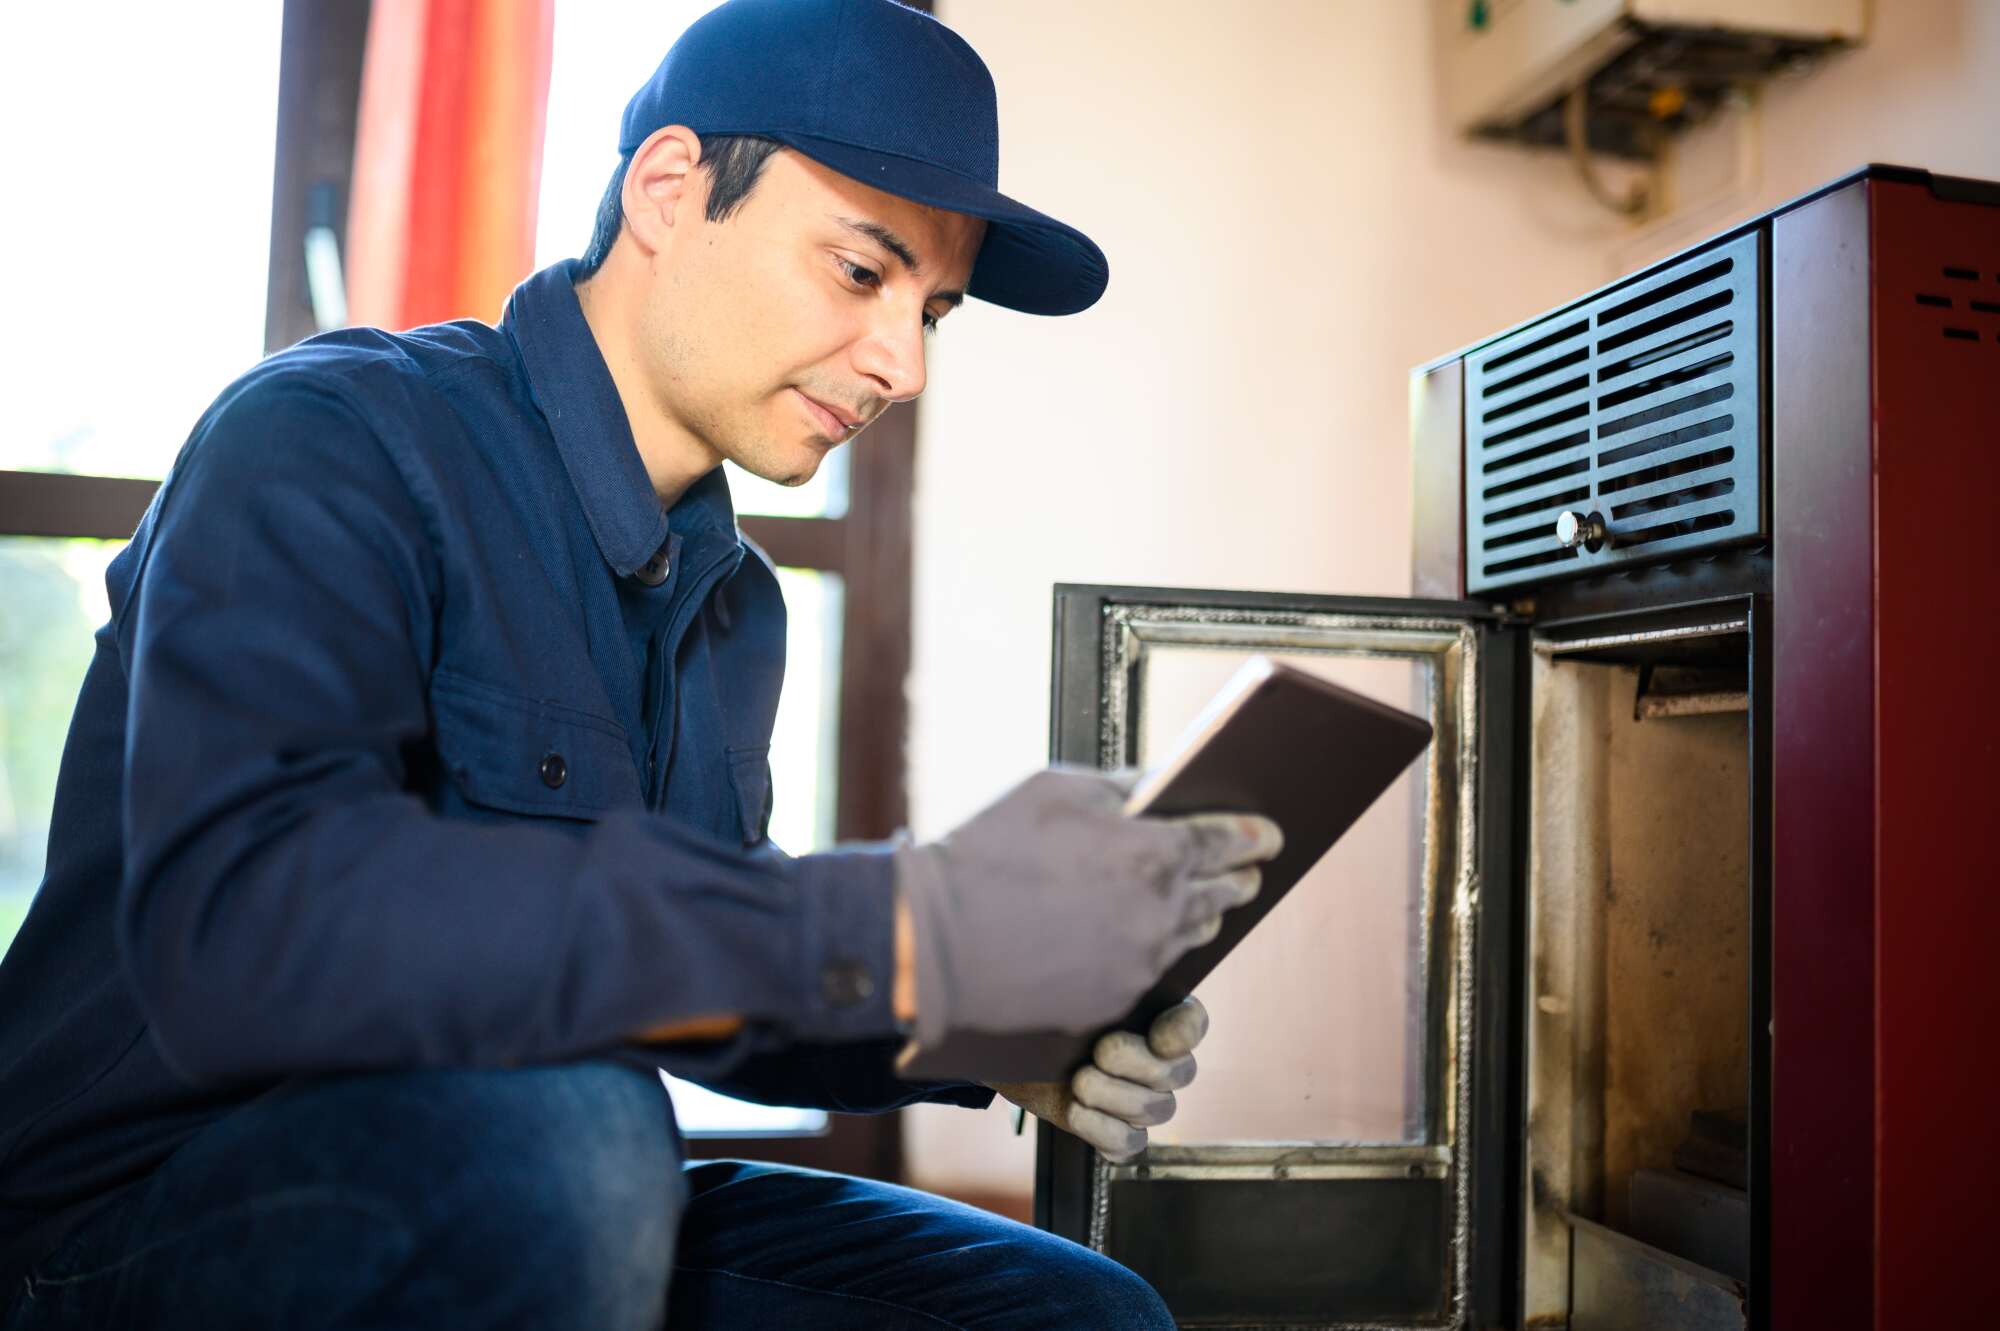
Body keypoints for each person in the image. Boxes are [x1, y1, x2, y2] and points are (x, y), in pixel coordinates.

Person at [0, 2, 1282, 1326]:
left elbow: (706, 986)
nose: (901, 364)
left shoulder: (734, 603)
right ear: (669, 188)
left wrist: (986, 1027)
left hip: (549, 1197)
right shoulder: (331, 438)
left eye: (934, 314)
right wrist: (906, 924)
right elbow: (252, 923)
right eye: (861, 273)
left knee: (1075, 1314)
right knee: (582, 1127)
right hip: (135, 1229)